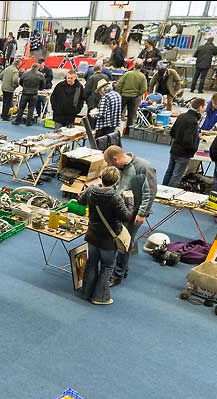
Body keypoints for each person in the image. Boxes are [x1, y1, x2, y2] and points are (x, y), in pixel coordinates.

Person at [76, 166, 134, 305]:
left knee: (91, 264)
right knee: (107, 267)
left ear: (101, 177)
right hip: (108, 239)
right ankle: (99, 297)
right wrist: (130, 202)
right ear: (116, 181)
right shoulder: (115, 197)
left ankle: (85, 293)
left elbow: (80, 201)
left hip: (92, 235)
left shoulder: (91, 190)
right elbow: (126, 217)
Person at [102, 146, 156, 286]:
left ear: (115, 159)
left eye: (108, 162)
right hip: (121, 209)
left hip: (135, 213)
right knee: (119, 239)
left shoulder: (143, 168)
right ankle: (121, 269)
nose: (108, 166)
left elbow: (149, 193)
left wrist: (142, 213)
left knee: (124, 243)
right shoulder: (119, 168)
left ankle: (118, 275)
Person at [163, 98, 205, 187]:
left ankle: (163, 189)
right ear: (200, 107)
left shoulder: (182, 116)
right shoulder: (193, 121)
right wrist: (195, 145)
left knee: (169, 171)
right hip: (183, 153)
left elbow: (172, 132)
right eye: (204, 106)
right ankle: (169, 192)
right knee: (177, 175)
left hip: (175, 149)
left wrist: (178, 139)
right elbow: (188, 140)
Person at [115, 59, 147, 132]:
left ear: (134, 66)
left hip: (124, 96)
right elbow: (144, 89)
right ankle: (128, 132)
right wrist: (137, 94)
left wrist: (120, 92)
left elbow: (119, 85)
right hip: (134, 98)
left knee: (118, 113)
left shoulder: (127, 74)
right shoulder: (142, 76)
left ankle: (114, 129)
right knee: (131, 115)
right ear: (141, 67)